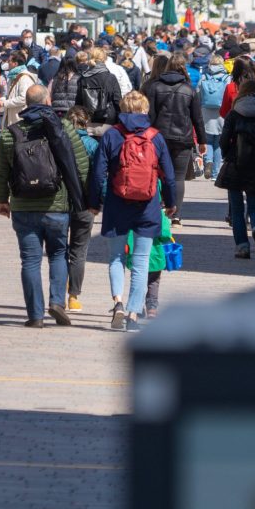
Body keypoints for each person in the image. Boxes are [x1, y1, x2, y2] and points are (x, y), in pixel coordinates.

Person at [0, 85, 89, 328]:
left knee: (30, 260)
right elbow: (81, 165)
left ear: (25, 103)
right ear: (48, 100)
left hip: (24, 207)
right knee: (58, 254)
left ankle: (35, 315)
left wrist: (2, 200)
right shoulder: (63, 127)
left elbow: (1, 171)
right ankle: (57, 301)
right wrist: (84, 198)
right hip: (56, 206)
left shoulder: (10, 133)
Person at [87, 90, 177, 332]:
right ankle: (134, 315)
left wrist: (94, 202)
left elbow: (97, 174)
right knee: (140, 262)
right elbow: (168, 176)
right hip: (147, 207)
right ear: (145, 110)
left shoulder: (111, 135)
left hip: (117, 204)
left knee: (116, 258)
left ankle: (117, 302)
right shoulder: (155, 137)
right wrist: (170, 203)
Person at [217, 77, 255, 259]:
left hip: (235, 164)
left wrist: (229, 153)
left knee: (236, 209)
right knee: (254, 206)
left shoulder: (234, 114)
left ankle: (242, 247)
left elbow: (223, 140)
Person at [144, 52, 205, 204]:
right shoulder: (189, 89)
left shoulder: (155, 87)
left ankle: (159, 207)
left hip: (158, 137)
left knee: (158, 173)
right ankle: (176, 214)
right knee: (178, 177)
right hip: (182, 138)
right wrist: (202, 141)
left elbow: (150, 115)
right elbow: (197, 118)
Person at [65, 106, 98, 312]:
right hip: (85, 204)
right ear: (87, 123)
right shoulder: (93, 145)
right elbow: (99, 174)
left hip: (59, 202)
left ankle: (57, 293)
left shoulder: (59, 141)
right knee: (79, 251)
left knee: (59, 249)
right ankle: (73, 296)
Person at [198, 54, 229, 181]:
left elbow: (198, 93)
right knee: (219, 143)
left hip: (206, 112)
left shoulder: (204, 76)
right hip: (222, 112)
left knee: (208, 140)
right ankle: (215, 173)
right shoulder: (227, 78)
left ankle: (208, 161)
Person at [75, 47, 122, 129]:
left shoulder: (83, 78)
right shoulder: (110, 77)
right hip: (108, 121)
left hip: (88, 120)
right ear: (104, 59)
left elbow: (78, 103)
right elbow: (117, 100)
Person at [0, 51, 39, 129]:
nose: (7, 63)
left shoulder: (25, 78)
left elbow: (23, 98)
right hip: (13, 120)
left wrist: (5, 103)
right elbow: (11, 96)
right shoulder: (13, 77)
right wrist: (2, 100)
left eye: (9, 61)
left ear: (15, 64)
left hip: (20, 121)